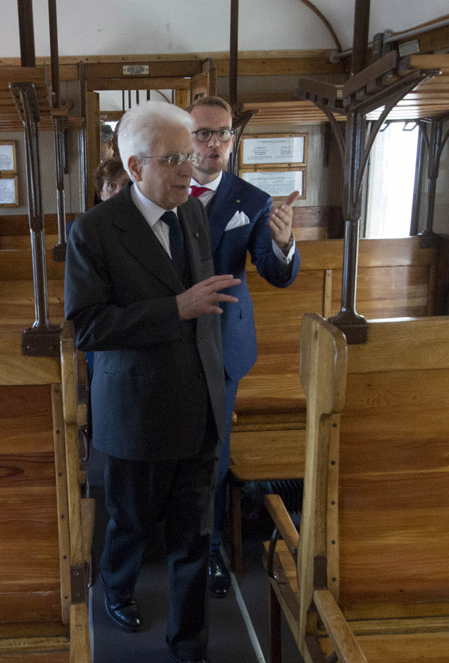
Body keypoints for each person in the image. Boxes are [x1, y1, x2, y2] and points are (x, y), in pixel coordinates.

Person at [65, 100, 240, 663]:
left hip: (199, 405)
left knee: (192, 537)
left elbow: (207, 306)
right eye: (173, 159)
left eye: (190, 155)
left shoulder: (190, 213)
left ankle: (190, 643)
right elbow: (88, 326)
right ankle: (116, 588)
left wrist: (219, 385)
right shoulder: (93, 230)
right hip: (138, 410)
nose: (190, 169)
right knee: (132, 524)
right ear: (135, 167)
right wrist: (175, 309)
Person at [185, 95, 301, 598]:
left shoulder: (252, 201)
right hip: (170, 340)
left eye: (223, 133)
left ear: (233, 139)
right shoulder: (162, 192)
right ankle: (171, 537)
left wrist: (283, 243)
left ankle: (210, 547)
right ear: (184, 137)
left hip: (224, 342)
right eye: (203, 133)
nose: (215, 143)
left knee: (215, 449)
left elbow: (275, 275)